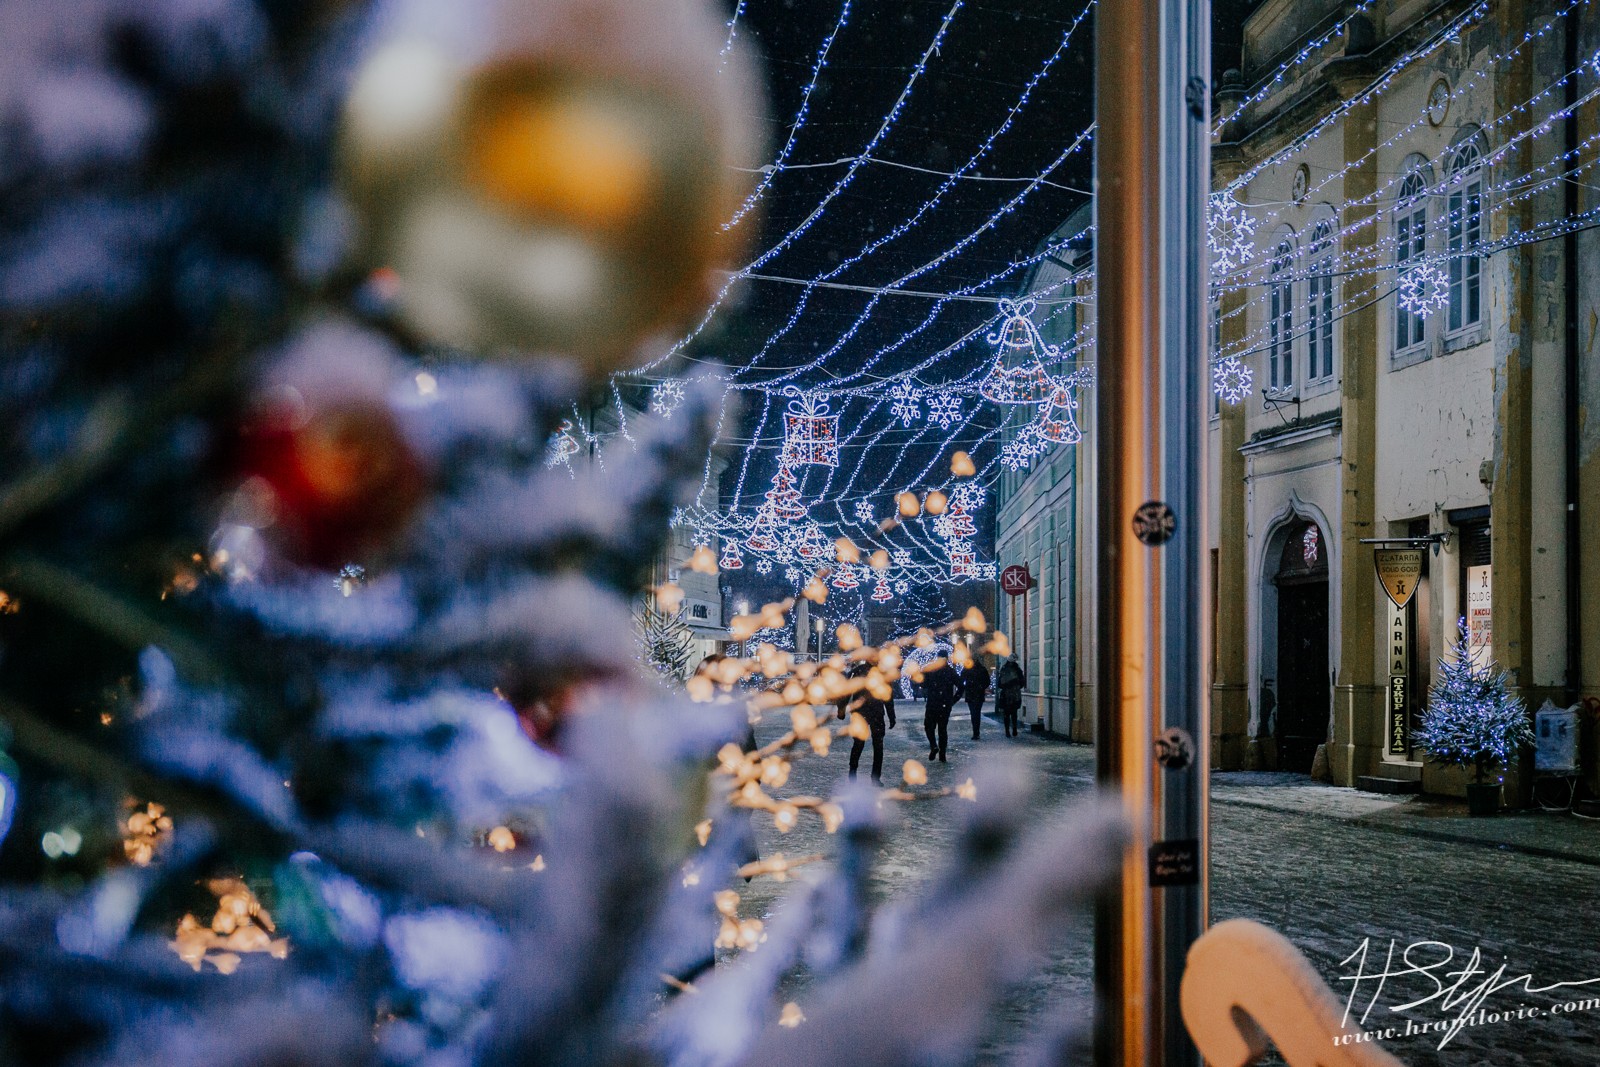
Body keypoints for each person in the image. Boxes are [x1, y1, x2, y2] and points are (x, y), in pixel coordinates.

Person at [836, 662, 894, 784]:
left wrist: (841, 708)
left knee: (859, 744)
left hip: (861, 712)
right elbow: (888, 696)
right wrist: (891, 715)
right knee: (877, 745)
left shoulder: (858, 671)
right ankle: (875, 777)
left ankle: (853, 774)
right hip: (876, 712)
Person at [920, 657, 958, 762]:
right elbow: (961, 686)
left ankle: (933, 745)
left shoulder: (932, 670)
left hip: (933, 703)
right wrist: (953, 700)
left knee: (929, 727)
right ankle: (942, 754)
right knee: (942, 729)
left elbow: (923, 684)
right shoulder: (950, 671)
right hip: (945, 705)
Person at [995, 656, 1025, 737]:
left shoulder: (1004, 669)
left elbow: (999, 683)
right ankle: (1014, 729)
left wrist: (1006, 687)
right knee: (1014, 713)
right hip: (1015, 694)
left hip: (1006, 695)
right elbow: (1022, 682)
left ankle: (1007, 731)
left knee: (1006, 714)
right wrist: (1016, 687)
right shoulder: (1017, 669)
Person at [962, 655, 991, 740]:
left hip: (971, 694)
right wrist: (981, 687)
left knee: (973, 713)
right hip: (978, 694)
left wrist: (967, 687)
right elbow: (987, 681)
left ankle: (976, 732)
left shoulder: (967, 669)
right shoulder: (982, 669)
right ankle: (976, 732)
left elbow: (961, 679)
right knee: (976, 713)